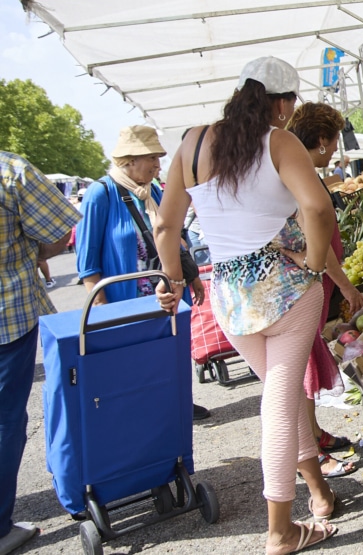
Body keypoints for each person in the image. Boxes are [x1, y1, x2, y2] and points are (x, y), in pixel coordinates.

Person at [154, 56, 339, 554]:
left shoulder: (192, 143)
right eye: (292, 102)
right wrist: (316, 264)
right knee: (280, 405)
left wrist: (171, 280)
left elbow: (166, 228)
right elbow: (318, 206)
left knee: (284, 395)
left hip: (229, 298)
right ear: (281, 101)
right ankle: (280, 531)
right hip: (286, 290)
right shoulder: (279, 141)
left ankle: (318, 495)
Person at [75, 125, 210, 422]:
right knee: (135, 360)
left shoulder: (155, 191)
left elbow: (174, 236)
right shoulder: (101, 193)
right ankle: (145, 413)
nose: (158, 165)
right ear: (129, 160)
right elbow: (87, 261)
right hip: (128, 299)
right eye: (151, 157)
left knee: (171, 351)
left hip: (165, 293)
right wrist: (102, 308)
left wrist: (193, 276)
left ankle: (178, 403)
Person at [0, 152, 77, 555]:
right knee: (4, 420)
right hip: (7, 314)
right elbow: (58, 233)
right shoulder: (10, 171)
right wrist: (32, 251)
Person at [285, 103, 363, 478]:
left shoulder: (301, 171)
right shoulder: (298, 175)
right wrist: (346, 286)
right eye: (333, 142)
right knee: (302, 369)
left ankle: (316, 434)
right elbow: (312, 238)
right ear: (320, 141)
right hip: (308, 281)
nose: (335, 150)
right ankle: (312, 454)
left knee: (307, 362)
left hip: (314, 281)